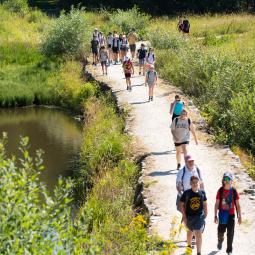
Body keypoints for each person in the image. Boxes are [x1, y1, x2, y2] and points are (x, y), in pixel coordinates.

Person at [214, 172, 242, 255]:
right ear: (223, 180)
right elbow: (216, 204)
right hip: (222, 214)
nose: (226, 181)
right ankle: (220, 241)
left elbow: (237, 204)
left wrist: (239, 216)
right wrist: (215, 215)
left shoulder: (234, 191)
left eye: (228, 179)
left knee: (230, 233)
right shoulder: (220, 190)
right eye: (225, 179)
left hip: (231, 215)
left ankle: (229, 250)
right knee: (220, 232)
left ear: (231, 180)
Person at [180, 176, 207, 255]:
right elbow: (181, 204)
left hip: (199, 216)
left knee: (198, 233)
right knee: (190, 233)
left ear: (199, 183)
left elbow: (205, 203)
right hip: (189, 217)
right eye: (193, 182)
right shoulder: (187, 193)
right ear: (190, 183)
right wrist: (184, 217)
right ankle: (189, 246)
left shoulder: (202, 192)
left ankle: (199, 252)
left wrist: (206, 213)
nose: (195, 184)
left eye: (196, 182)